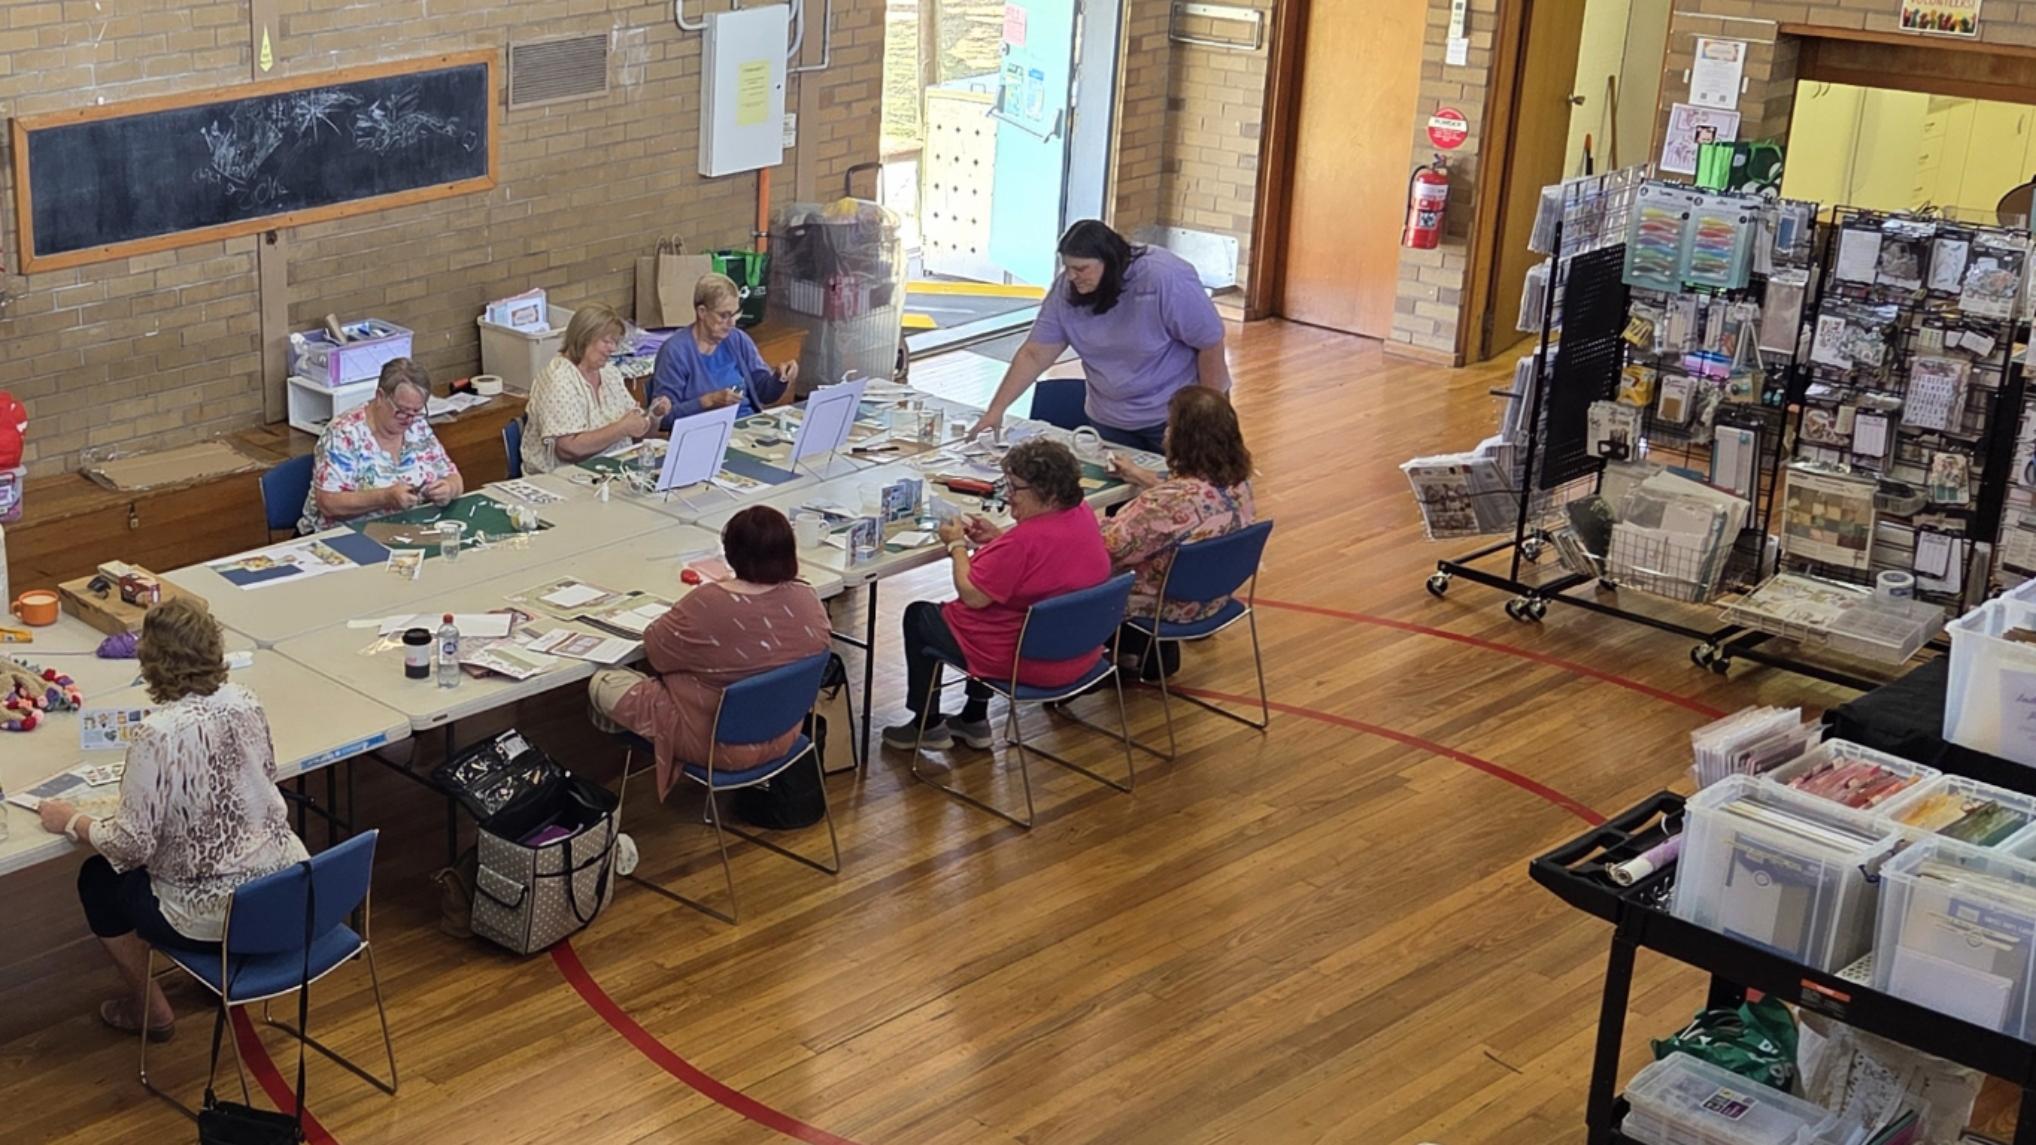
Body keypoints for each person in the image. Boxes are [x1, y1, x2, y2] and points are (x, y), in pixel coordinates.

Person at [38, 598, 308, 1041]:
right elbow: (265, 778)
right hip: (286, 891)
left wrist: (73, 822)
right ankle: (210, 978)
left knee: (99, 879)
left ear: (152, 663)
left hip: (219, 912)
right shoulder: (246, 700)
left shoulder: (157, 735)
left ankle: (151, 1009)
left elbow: (130, 847)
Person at [588, 505, 832, 799]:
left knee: (603, 681)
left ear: (731, 554)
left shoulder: (709, 603)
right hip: (786, 734)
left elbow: (655, 650)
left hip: (716, 745)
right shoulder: (808, 599)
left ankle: (613, 759)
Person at [883, 439, 1112, 751]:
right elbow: (1043, 561)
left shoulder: (1023, 542)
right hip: (1078, 653)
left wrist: (956, 545)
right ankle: (974, 719)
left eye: (1015, 488)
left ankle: (927, 724)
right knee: (994, 611)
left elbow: (973, 595)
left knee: (921, 616)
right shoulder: (1082, 514)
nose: (1009, 496)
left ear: (1047, 492)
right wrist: (998, 540)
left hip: (1028, 660)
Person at [967, 220, 1230, 452]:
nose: (1072, 277)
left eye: (1081, 269)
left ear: (1110, 261)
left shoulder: (1164, 277)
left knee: (1185, 496)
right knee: (1123, 500)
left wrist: (1205, 417)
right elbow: (1035, 354)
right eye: (1067, 268)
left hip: (1173, 418)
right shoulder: (1067, 290)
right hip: (1110, 418)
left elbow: (1210, 343)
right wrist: (996, 409)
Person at [1101, 387, 1256, 680]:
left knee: (1070, 570)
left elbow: (1108, 550)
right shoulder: (1240, 483)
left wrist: (1071, 514)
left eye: (1170, 426)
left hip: (1161, 604)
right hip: (1214, 596)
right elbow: (1194, 501)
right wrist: (1140, 476)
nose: (1165, 433)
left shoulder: (1164, 503)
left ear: (1182, 438)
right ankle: (1143, 654)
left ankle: (1084, 666)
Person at [297, 357, 463, 533]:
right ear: (380, 397)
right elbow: (328, 503)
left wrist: (448, 489)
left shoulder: (417, 426)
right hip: (345, 535)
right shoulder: (343, 433)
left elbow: (455, 478)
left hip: (407, 529)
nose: (409, 419)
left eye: (417, 411)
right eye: (402, 411)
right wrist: (385, 497)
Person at [522, 303, 672, 475]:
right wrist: (621, 428)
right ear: (584, 338)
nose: (613, 349)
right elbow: (567, 450)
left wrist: (654, 416)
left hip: (613, 471)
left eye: (615, 342)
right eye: (606, 341)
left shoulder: (609, 373)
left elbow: (638, 435)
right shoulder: (558, 378)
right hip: (568, 478)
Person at [647, 273, 798, 429]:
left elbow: (764, 393)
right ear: (702, 312)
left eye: (735, 314)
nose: (731, 323)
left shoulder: (737, 339)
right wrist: (706, 402)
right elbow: (663, 419)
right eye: (724, 315)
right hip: (703, 433)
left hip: (747, 426)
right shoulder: (675, 352)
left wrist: (781, 378)